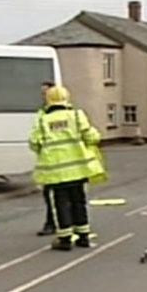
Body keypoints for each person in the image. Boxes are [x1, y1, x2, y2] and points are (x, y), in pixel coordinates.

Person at [29, 85, 107, 251]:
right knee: (79, 201)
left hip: (55, 171)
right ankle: (83, 237)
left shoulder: (43, 119)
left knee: (60, 203)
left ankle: (65, 239)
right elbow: (92, 137)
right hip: (78, 169)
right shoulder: (77, 115)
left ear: (49, 100)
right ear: (67, 98)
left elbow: (34, 143)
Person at [36, 81, 57, 236]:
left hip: (62, 163)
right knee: (49, 195)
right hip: (48, 163)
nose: (43, 96)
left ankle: (54, 224)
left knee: (62, 197)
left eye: (46, 93)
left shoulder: (66, 113)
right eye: (42, 93)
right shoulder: (42, 113)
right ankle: (51, 223)